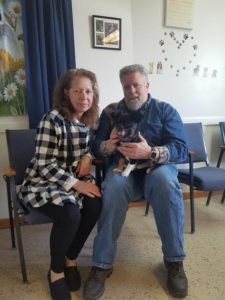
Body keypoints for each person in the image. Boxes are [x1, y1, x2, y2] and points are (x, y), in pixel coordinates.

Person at [83, 64, 189, 299]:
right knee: (112, 187)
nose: (131, 91)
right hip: (123, 173)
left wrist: (150, 152)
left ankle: (174, 262)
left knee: (166, 182)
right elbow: (96, 147)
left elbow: (181, 149)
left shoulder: (165, 110)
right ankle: (101, 264)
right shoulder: (110, 112)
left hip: (156, 171)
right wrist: (107, 145)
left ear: (147, 86)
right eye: (126, 86)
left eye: (136, 85)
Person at [19, 69, 102, 300]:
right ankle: (56, 272)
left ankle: (70, 259)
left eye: (88, 91)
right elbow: (43, 164)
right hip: (43, 182)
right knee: (70, 213)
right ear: (66, 93)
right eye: (77, 91)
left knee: (96, 204)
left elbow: (89, 148)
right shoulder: (51, 119)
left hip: (71, 180)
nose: (84, 96)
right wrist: (76, 183)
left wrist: (87, 157)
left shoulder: (87, 121)